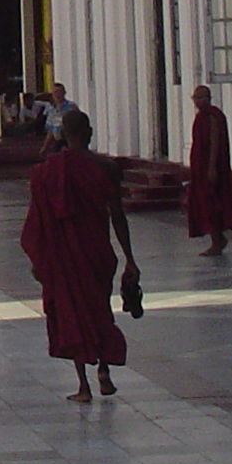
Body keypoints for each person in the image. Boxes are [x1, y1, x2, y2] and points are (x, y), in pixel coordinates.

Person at [20, 110, 139, 402]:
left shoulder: (46, 172)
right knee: (99, 308)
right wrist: (130, 258)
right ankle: (104, 372)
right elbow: (118, 216)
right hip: (97, 251)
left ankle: (83, 386)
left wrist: (39, 261)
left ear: (63, 134)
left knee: (72, 313)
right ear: (90, 132)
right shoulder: (107, 167)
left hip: (64, 257)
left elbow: (38, 221)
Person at [185, 85, 232, 255]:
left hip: (211, 168)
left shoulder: (212, 116)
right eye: (194, 97)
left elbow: (215, 141)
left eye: (199, 97)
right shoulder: (201, 116)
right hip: (199, 168)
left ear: (207, 97)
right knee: (203, 205)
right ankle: (215, 239)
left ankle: (218, 240)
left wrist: (211, 167)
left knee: (212, 204)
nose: (196, 101)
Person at [38, 81, 77, 155]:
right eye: (55, 92)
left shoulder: (71, 107)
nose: (57, 95)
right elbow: (50, 130)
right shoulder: (51, 109)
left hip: (69, 141)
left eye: (59, 92)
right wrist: (44, 147)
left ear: (64, 93)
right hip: (58, 141)